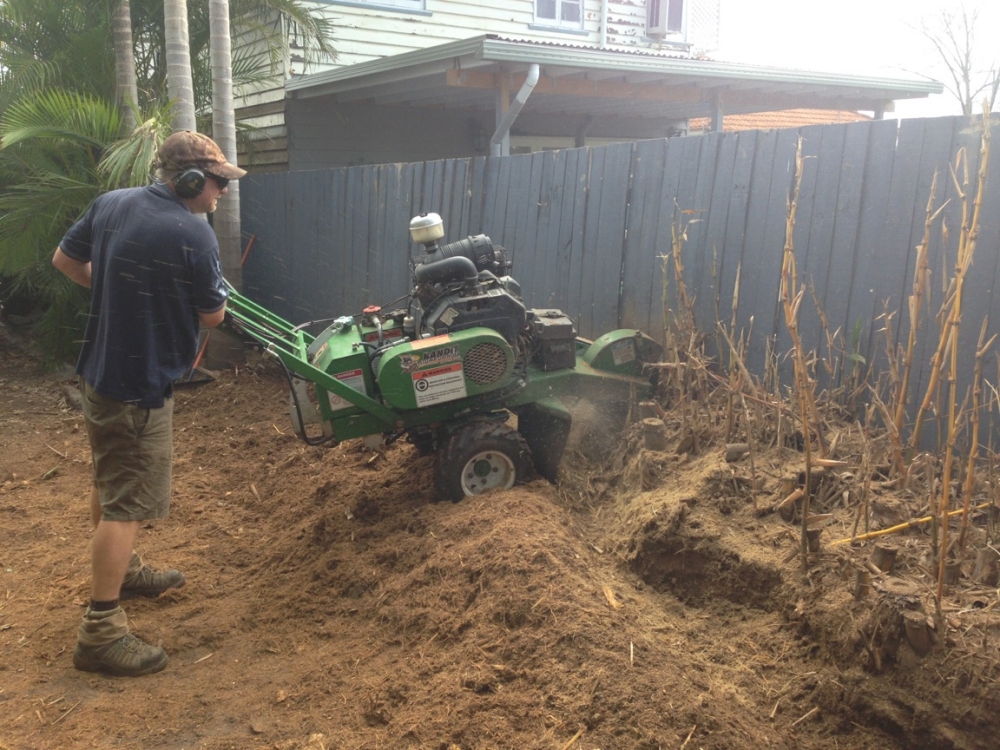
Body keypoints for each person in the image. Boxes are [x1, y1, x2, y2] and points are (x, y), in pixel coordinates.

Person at [52, 131, 246, 677]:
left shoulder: (111, 204)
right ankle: (101, 631)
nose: (222, 194)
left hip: (100, 374)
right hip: (140, 385)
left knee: (109, 479)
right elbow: (212, 317)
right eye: (217, 183)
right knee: (127, 503)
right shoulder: (192, 233)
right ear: (188, 180)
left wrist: (116, 290)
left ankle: (126, 571)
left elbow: (65, 261)